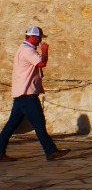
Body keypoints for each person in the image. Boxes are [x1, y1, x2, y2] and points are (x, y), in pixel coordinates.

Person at [0, 26, 68, 161]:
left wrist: (38, 87)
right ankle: (50, 151)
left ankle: (0, 151)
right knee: (39, 122)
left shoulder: (24, 49)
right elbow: (42, 63)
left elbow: (32, 72)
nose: (40, 41)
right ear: (33, 37)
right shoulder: (27, 50)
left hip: (23, 93)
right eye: (39, 38)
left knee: (12, 125)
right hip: (27, 95)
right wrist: (45, 51)